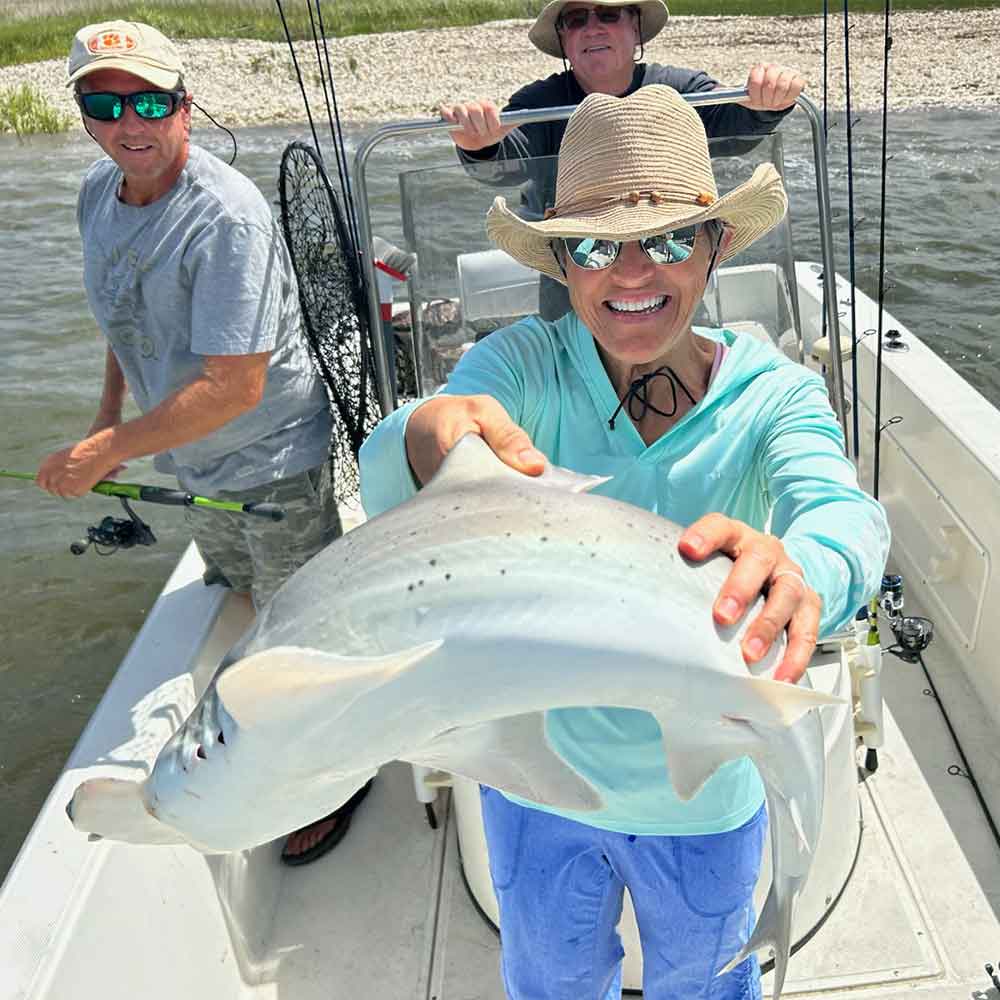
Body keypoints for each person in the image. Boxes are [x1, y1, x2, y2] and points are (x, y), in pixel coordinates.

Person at [359, 85, 889, 999]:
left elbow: (841, 510)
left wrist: (808, 567)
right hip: (536, 778)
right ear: (565, 265)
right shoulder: (521, 366)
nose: (634, 274)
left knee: (707, 982)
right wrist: (423, 430)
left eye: (672, 239)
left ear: (717, 244)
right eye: (598, 246)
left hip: (710, 786)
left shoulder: (776, 395)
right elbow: (407, 459)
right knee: (550, 980)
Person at [36, 20, 368, 867]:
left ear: (184, 104)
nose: (129, 123)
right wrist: (104, 426)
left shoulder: (225, 217)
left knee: (299, 631)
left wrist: (112, 452)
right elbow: (121, 318)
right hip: (190, 459)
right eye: (104, 103)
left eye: (149, 100)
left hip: (272, 460)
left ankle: (341, 774)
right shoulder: (94, 197)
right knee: (239, 591)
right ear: (82, 115)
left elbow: (236, 386)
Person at [440, 0, 805, 319]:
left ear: (636, 28)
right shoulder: (538, 104)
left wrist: (766, 101)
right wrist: (479, 145)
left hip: (672, 259)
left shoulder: (684, 89)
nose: (592, 27)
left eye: (609, 14)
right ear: (564, 39)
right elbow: (507, 159)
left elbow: (735, 124)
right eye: (576, 19)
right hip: (578, 273)